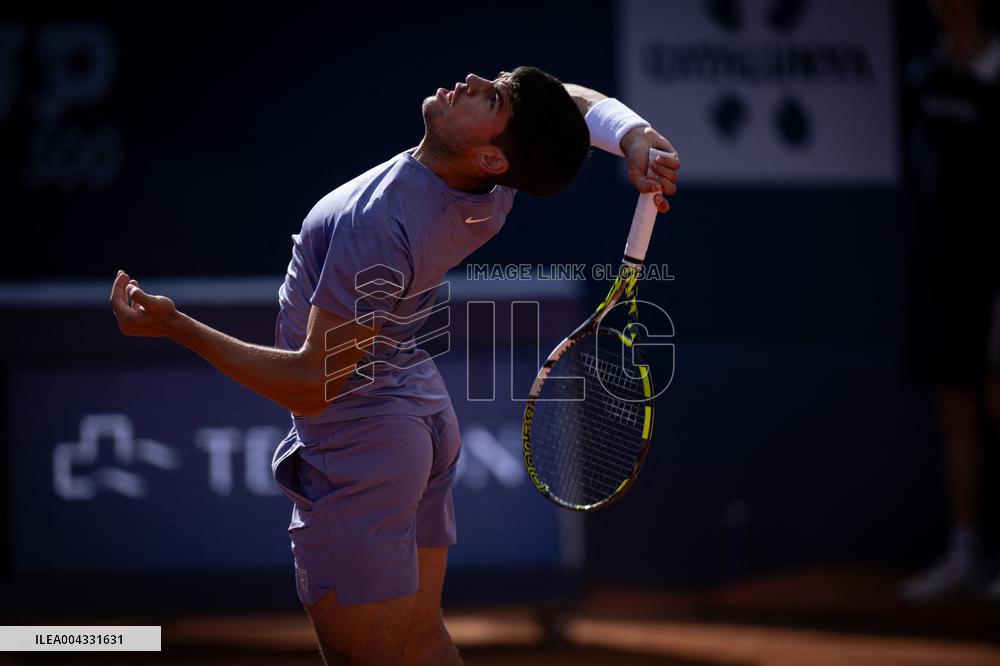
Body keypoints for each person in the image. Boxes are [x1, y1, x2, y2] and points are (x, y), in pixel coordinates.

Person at [110, 65, 680, 664]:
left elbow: (310, 386)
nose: (473, 79)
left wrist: (175, 327)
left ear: (491, 158)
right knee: (419, 644)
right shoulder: (498, 182)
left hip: (364, 448)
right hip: (416, 416)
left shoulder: (381, 223)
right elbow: (565, 106)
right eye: (496, 81)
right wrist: (632, 132)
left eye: (491, 98)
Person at [899, 0, 1000, 602]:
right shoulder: (928, 71)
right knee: (955, 407)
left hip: (994, 272)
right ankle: (964, 552)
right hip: (943, 267)